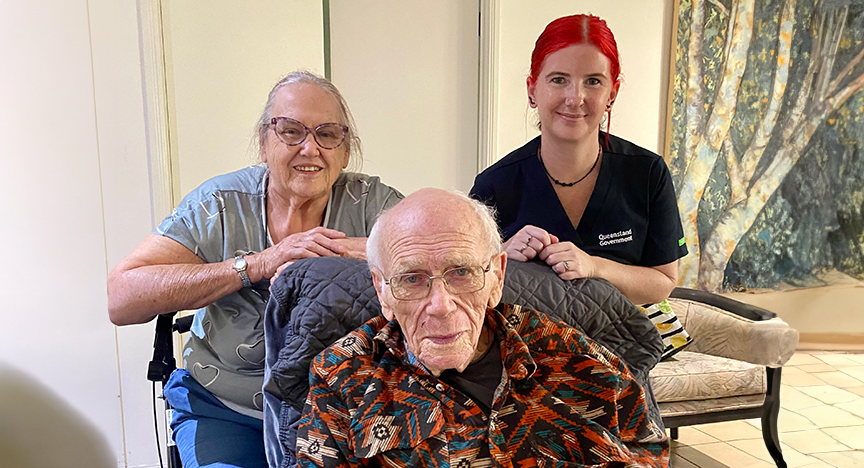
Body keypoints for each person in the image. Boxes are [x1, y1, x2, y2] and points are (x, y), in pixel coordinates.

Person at [107, 71, 403, 468]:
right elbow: (122, 297)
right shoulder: (220, 205)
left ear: (345, 152)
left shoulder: (372, 205)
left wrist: (356, 251)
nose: (311, 148)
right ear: (264, 143)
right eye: (291, 131)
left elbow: (447, 254)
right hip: (226, 408)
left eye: (328, 134)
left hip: (346, 413)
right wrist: (260, 263)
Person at [295, 189, 669, 467]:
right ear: (383, 290)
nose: (440, 305)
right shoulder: (343, 377)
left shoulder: (583, 364)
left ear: (497, 277)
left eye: (461, 273)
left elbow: (647, 453)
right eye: (411, 279)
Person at [470, 14, 687, 306]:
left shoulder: (648, 174)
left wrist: (594, 267)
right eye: (559, 80)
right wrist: (504, 257)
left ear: (613, 93)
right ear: (532, 90)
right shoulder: (493, 186)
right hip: (528, 345)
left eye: (593, 81)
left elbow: (663, 282)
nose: (575, 98)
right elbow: (469, 284)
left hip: (626, 342)